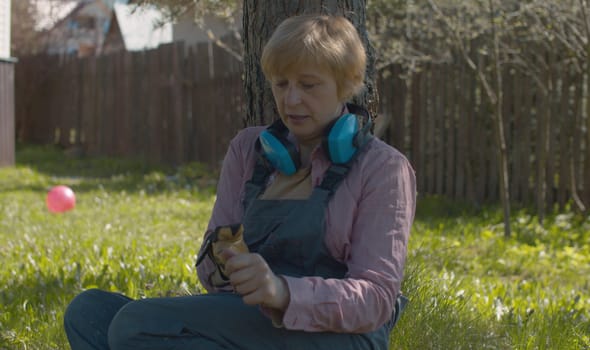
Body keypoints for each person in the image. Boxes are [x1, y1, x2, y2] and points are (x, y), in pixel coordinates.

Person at [63, 14, 416, 350]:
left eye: (308, 85)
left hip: (340, 335)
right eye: (281, 84)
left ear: (345, 85)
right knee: (89, 311)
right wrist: (225, 264)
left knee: (133, 326)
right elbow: (209, 272)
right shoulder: (249, 149)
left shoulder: (383, 168)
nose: (291, 99)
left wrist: (282, 292)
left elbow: (376, 300)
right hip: (251, 320)